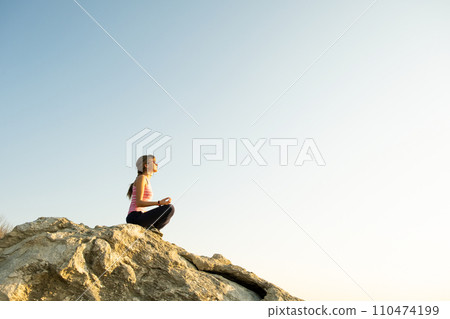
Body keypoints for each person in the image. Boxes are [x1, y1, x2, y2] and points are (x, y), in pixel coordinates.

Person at [126, 155, 175, 233]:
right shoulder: (141, 178)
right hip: (135, 217)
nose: (157, 164)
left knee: (169, 209)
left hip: (140, 215)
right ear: (146, 165)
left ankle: (152, 230)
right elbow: (138, 203)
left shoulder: (146, 180)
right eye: (154, 162)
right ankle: (152, 230)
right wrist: (159, 203)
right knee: (169, 208)